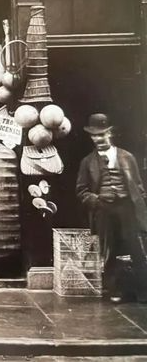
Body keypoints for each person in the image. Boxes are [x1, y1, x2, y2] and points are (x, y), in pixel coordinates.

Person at [76, 113, 147, 303]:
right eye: (94, 135)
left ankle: (143, 292)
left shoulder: (127, 157)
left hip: (127, 208)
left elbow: (139, 186)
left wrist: (139, 202)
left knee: (137, 249)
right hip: (104, 210)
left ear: (110, 133)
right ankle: (114, 291)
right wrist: (97, 200)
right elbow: (81, 191)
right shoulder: (87, 162)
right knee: (109, 250)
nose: (98, 139)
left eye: (102, 135)